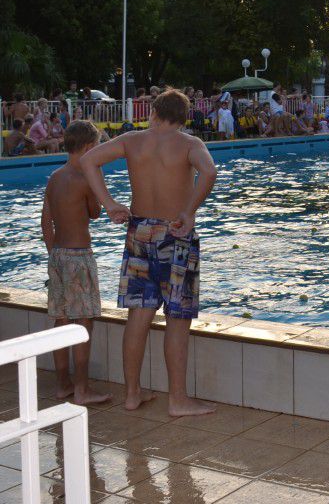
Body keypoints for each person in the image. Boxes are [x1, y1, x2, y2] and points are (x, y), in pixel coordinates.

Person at [80, 89, 217, 417]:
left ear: (154, 112)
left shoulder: (132, 141)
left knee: (138, 317)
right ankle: (178, 400)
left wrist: (109, 203)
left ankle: (131, 394)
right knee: (177, 319)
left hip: (139, 232)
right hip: (176, 234)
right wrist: (189, 211)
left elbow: (88, 161)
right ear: (183, 119)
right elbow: (209, 173)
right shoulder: (189, 145)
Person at [40, 121, 111, 405]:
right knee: (83, 323)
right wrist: (97, 180)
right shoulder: (85, 177)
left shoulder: (54, 177)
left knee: (61, 319)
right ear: (89, 148)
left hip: (57, 255)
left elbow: (46, 224)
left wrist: (53, 257)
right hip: (79, 256)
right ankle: (82, 389)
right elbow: (94, 212)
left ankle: (63, 385)